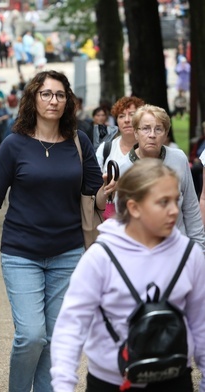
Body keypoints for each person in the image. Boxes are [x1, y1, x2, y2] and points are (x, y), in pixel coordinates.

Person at [0, 70, 109, 392]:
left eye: (60, 95)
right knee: (31, 335)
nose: (54, 100)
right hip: (22, 254)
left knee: (56, 336)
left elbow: (93, 195)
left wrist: (107, 190)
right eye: (46, 94)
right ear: (33, 98)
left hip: (69, 252)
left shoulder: (79, 141)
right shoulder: (14, 145)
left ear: (68, 101)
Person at [51, 159, 205, 391]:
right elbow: (71, 326)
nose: (174, 210)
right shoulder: (100, 257)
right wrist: (63, 385)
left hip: (174, 379)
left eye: (175, 200)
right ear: (134, 207)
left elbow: (201, 324)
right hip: (111, 382)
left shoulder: (189, 254)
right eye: (163, 202)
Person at [117, 105, 205, 250]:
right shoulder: (123, 168)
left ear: (165, 134)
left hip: (178, 250)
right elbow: (122, 219)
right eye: (145, 128)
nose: (152, 134)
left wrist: (199, 250)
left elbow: (191, 208)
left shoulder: (179, 158)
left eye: (158, 129)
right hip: (141, 252)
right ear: (136, 133)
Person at [95, 96, 145, 172]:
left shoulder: (150, 148)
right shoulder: (105, 149)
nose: (126, 120)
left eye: (132, 115)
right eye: (121, 116)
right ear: (117, 121)